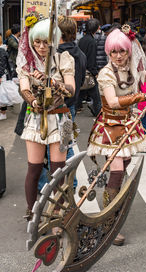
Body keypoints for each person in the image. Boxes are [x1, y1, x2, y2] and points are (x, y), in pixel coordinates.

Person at [87, 26, 146, 246]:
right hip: (111, 126)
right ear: (109, 53)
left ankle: (112, 210)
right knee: (117, 171)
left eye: (122, 51)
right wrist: (141, 95)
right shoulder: (106, 73)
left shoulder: (134, 68)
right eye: (114, 52)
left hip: (128, 124)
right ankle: (108, 223)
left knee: (122, 169)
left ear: (129, 51)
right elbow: (111, 101)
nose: (119, 56)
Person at [16, 14, 75, 221]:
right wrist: (33, 101)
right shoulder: (27, 63)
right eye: (37, 42)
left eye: (46, 41)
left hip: (60, 119)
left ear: (55, 40)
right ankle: (33, 212)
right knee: (34, 168)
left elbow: (71, 90)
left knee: (58, 171)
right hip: (36, 119)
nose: (41, 46)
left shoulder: (64, 58)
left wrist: (51, 81)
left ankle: (58, 213)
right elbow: (24, 88)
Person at [37, 15, 87, 192]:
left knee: (56, 148)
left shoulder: (58, 56)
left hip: (57, 107)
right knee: (66, 145)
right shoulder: (80, 53)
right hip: (71, 104)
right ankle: (69, 184)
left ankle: (59, 186)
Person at [78, 18, 102, 116]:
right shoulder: (92, 41)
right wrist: (95, 72)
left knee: (81, 93)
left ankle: (74, 109)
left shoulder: (82, 40)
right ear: (96, 29)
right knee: (96, 95)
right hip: (89, 72)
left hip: (81, 70)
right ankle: (98, 113)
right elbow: (91, 59)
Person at [0, 34, 10, 120]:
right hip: (2, 74)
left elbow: (2, 65)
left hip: (2, 75)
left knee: (2, 94)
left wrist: (0, 75)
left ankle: (3, 113)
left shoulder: (2, 51)